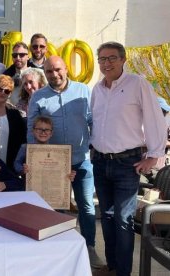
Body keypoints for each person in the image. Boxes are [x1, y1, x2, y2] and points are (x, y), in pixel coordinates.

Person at [90, 41, 167, 276]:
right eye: (102, 59)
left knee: (123, 220)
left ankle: (123, 272)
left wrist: (154, 156)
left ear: (123, 60)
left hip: (127, 164)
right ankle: (112, 266)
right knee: (108, 218)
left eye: (112, 58)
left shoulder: (137, 84)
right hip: (101, 162)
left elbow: (155, 118)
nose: (107, 63)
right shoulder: (97, 89)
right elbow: (95, 122)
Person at [27, 56, 104, 269]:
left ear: (66, 68)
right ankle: (59, 249)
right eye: (49, 71)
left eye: (58, 70)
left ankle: (88, 248)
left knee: (87, 207)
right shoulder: (39, 97)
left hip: (81, 161)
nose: (54, 75)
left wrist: (95, 146)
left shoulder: (82, 91)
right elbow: (31, 128)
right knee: (57, 208)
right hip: (53, 164)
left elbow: (92, 121)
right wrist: (35, 158)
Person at [0, 75, 26, 173]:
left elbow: (20, 140)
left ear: (10, 94)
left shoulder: (15, 114)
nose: (2, 93)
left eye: (7, 91)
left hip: (8, 167)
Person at [14, 116, 76, 181]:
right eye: (39, 129)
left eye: (47, 130)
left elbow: (61, 169)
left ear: (51, 133)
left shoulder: (57, 151)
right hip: (30, 184)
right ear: (33, 131)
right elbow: (17, 163)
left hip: (51, 185)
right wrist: (22, 169)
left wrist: (69, 174)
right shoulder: (25, 148)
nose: (43, 132)